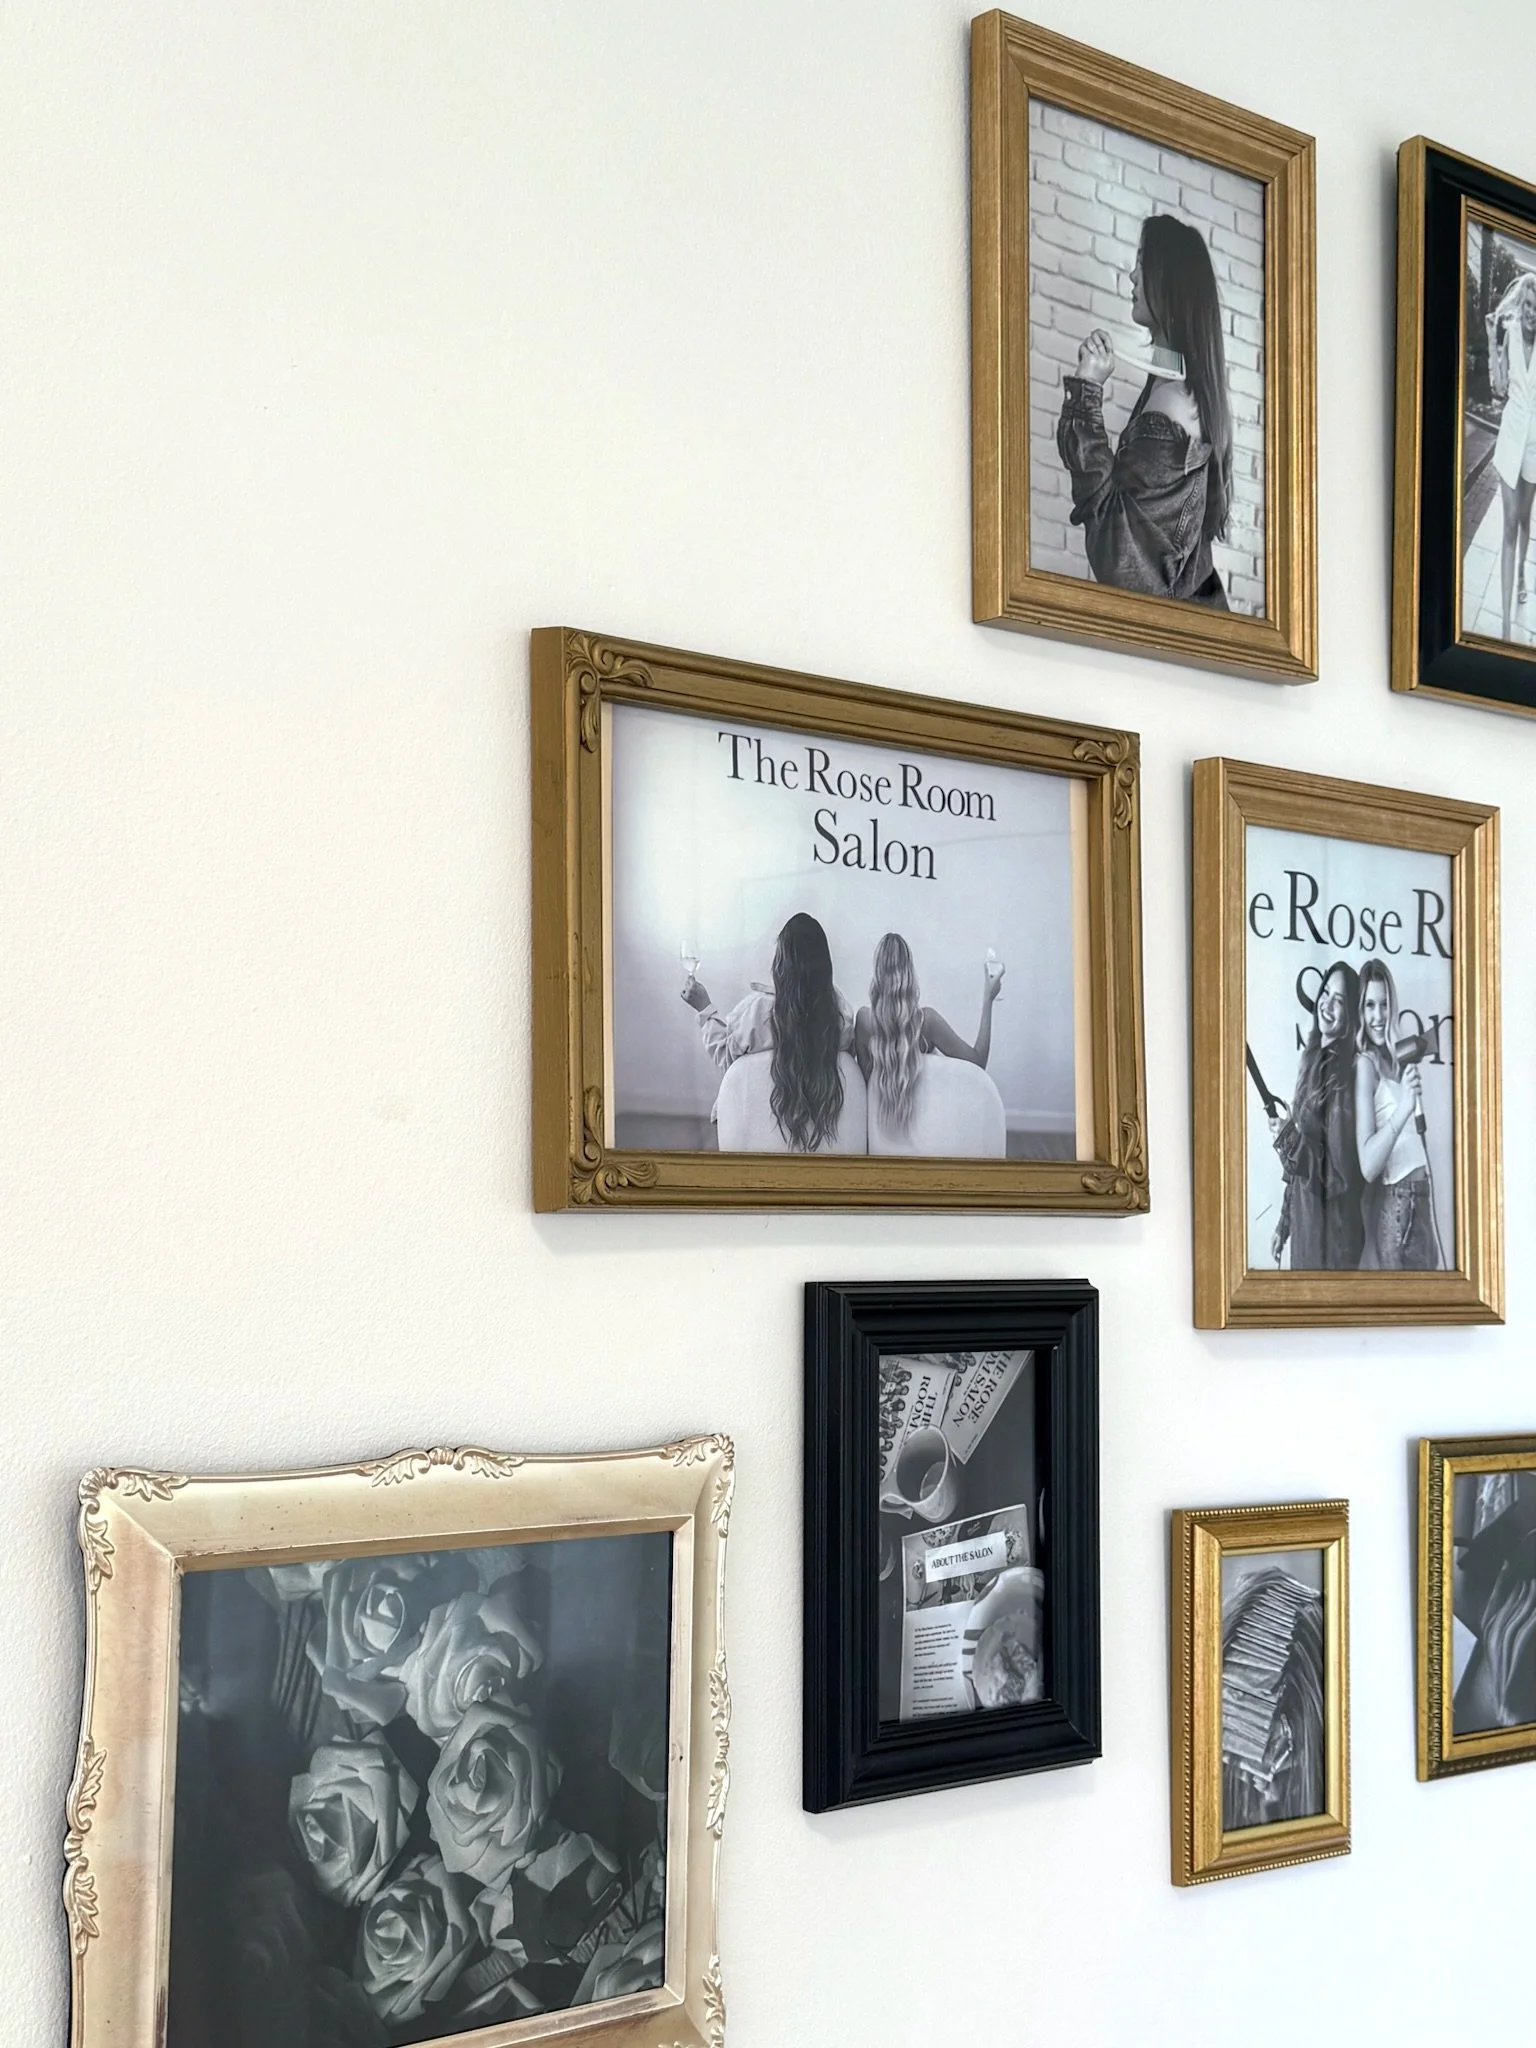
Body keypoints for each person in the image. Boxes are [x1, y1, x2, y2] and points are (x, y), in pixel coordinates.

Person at [1056, 212, 1235, 606]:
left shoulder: (1170, 408)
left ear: (1168, 281)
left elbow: (1119, 559)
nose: (1133, 275)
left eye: (1143, 262)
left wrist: (1087, 395)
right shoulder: (1180, 387)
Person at [680, 912, 854, 1152]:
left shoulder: (756, 1012)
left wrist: (705, 1009)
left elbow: (726, 1057)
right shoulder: (840, 1015)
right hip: (822, 1140)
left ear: (781, 961)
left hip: (755, 1140)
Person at [854, 932, 1005, 1134]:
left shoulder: (864, 1021)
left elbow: (865, 1089)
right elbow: (978, 1063)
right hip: (924, 1134)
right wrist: (988, 999)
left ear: (878, 974)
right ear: (909, 973)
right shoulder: (927, 1022)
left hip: (878, 1135)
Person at [1267, 961, 1364, 1272]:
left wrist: (1289, 1137)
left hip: (1330, 1241)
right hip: (1307, 1227)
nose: (1328, 1004)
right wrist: (1284, 1223)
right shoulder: (1312, 1059)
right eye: (1326, 993)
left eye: (1340, 1000)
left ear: (1350, 1016)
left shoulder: (1344, 1078)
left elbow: (1338, 1176)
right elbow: (1300, 1172)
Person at [1354, 958, 1441, 1270]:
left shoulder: (1398, 1058)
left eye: (1384, 1004)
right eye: (1369, 1005)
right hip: (1399, 1202)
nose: (1378, 1016)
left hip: (1422, 1197)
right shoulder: (1365, 1065)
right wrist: (1404, 1107)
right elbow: (1368, 1165)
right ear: (1360, 1011)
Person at [1487, 271, 1536, 638]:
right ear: (1523, 304)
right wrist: (1492, 340)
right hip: (1511, 435)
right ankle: (1504, 627)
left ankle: (1521, 572)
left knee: (1523, 518)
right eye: (1529, 305)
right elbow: (1500, 388)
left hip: (1534, 443)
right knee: (1508, 524)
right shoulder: (1511, 332)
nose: (1533, 313)